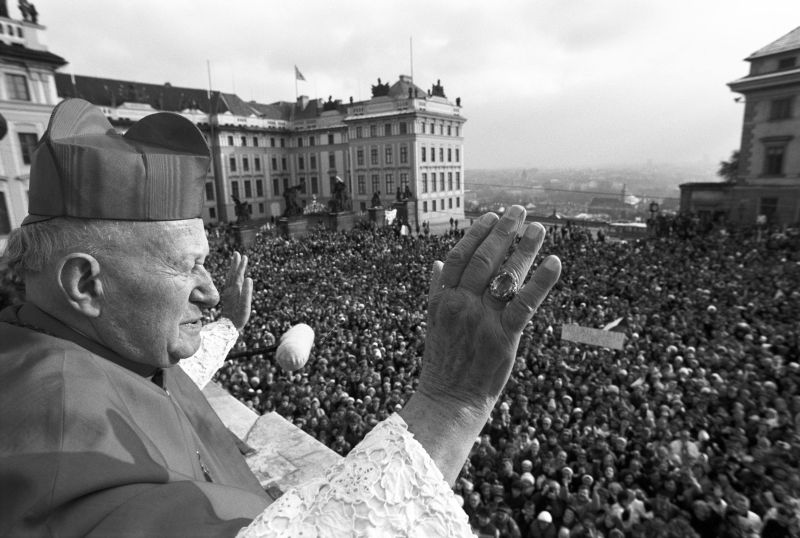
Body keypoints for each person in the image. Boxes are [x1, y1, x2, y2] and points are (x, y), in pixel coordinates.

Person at [0, 98, 562, 536]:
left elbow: (132, 393)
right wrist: (450, 403)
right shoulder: (56, 453)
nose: (209, 291)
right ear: (85, 284)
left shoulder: (62, 352)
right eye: (187, 266)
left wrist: (224, 332)